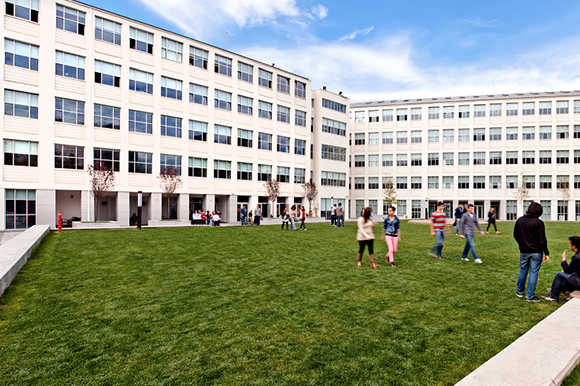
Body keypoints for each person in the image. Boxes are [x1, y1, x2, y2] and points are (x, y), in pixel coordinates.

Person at [514, 202, 550, 302]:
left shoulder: (520, 220)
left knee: (523, 270)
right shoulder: (538, 223)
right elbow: (542, 239)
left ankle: (519, 291)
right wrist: (546, 253)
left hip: (524, 251)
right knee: (533, 273)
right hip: (536, 252)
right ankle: (530, 296)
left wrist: (522, 244)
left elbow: (516, 235)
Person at [542, 236, 580, 302]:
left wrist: (563, 259)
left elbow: (568, 270)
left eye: (570, 243)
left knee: (559, 274)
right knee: (568, 273)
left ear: (574, 246)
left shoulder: (577, 257)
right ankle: (560, 290)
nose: (569, 245)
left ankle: (554, 297)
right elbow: (572, 269)